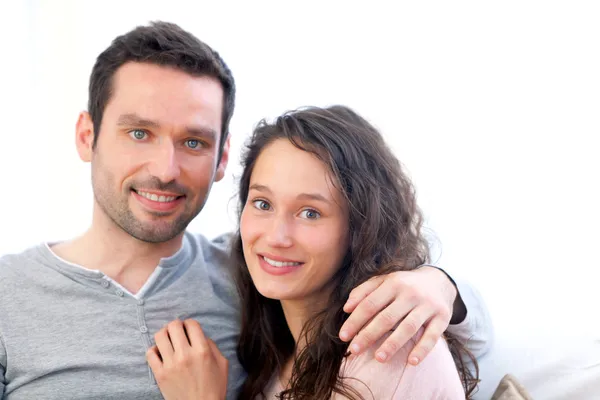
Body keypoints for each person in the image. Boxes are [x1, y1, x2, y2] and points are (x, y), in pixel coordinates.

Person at [0, 22, 491, 399]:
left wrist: (438, 285)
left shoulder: (255, 275)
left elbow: (466, 334)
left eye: (193, 141)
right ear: (87, 136)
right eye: (138, 133)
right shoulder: (9, 293)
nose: (165, 168)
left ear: (221, 159)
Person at [150, 105, 478, 399]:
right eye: (262, 204)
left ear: (360, 228)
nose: (276, 236)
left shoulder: (388, 351)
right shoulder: (281, 358)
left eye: (310, 213)